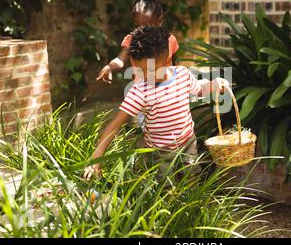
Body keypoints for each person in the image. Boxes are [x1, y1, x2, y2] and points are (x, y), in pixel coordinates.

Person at [84, 26, 230, 180]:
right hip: (160, 153)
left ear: (167, 57)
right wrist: (96, 157)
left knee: (191, 179)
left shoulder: (182, 74)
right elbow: (115, 124)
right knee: (165, 189)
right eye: (141, 71)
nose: (146, 76)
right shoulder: (139, 91)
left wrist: (214, 84)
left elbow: (199, 89)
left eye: (151, 71)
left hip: (188, 142)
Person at [96, 0, 179, 84]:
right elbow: (120, 59)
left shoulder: (169, 39)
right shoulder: (132, 40)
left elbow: (174, 64)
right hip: (142, 92)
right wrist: (110, 67)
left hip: (166, 89)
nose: (141, 29)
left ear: (159, 21)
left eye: (146, 25)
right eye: (137, 25)